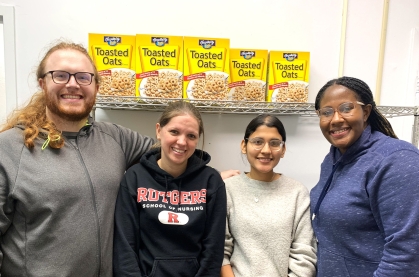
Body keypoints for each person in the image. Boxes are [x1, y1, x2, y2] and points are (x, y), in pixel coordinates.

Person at [0, 41, 238, 276]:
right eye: (60, 75)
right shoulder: (9, 148)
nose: (73, 84)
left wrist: (210, 177)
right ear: (42, 83)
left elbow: (172, 153)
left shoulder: (115, 138)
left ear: (95, 86)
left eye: (83, 77)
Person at [311, 76, 419, 276]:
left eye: (346, 108)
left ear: (366, 112)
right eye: (326, 112)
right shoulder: (332, 158)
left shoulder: (396, 161)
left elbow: (406, 254)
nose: (335, 119)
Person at [113, 100, 226, 276]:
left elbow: (214, 249)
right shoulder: (135, 177)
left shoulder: (211, 181)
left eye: (191, 136)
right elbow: (125, 247)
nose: (182, 142)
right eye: (174, 132)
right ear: (159, 131)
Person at [221, 114, 317, 277]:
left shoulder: (297, 193)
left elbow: (305, 255)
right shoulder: (228, 189)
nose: (266, 150)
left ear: (283, 149)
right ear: (244, 146)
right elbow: (220, 250)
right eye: (257, 142)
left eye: (274, 143)